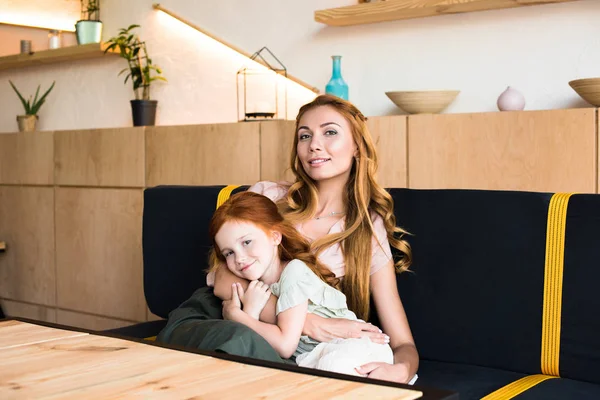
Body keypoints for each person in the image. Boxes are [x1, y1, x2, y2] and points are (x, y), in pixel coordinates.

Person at [157, 94, 418, 384]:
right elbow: (220, 276)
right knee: (241, 342)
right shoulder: (269, 197)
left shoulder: (366, 230)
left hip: (281, 346)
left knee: (289, 372)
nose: (314, 145)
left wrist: (401, 370)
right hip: (218, 316)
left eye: (329, 132)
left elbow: (403, 343)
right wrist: (307, 323)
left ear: (357, 146)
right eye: (304, 136)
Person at [209, 190, 396, 377]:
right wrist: (250, 313)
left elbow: (284, 345)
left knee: (330, 373)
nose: (240, 258)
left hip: (355, 346)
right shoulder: (255, 287)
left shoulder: (294, 272)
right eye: (229, 253)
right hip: (316, 357)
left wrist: (238, 316)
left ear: (275, 236)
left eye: (247, 242)